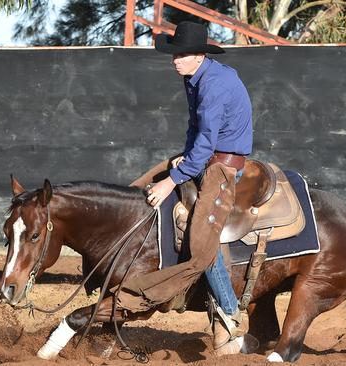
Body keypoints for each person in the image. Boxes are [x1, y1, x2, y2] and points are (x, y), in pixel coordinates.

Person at [115, 21, 253, 354]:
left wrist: (172, 181)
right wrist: (185, 159)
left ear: (199, 55)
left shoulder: (214, 85)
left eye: (182, 54)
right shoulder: (195, 77)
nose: (175, 60)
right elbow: (196, 130)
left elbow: (206, 142)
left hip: (221, 167)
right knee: (140, 184)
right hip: (205, 156)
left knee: (201, 242)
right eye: (174, 54)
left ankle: (232, 313)